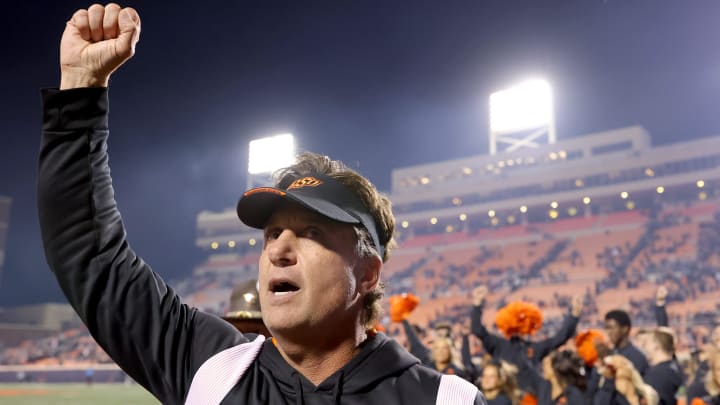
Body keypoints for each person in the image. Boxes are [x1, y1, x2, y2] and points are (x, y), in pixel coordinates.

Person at [37, 4, 485, 404]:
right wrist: (80, 90)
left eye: (312, 232)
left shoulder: (447, 399)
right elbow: (89, 252)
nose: (278, 250)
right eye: (272, 234)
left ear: (367, 273)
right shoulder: (210, 366)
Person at [635, 328, 684, 405]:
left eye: (646, 343)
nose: (644, 347)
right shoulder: (677, 368)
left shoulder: (656, 375)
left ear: (656, 346)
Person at [603, 310, 649, 376]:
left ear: (625, 329)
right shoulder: (609, 355)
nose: (608, 332)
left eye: (611, 328)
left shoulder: (637, 358)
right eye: (607, 328)